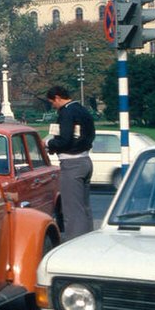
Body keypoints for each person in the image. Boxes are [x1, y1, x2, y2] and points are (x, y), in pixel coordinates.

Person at [45, 84, 95, 239]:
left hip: (72, 163)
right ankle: (88, 239)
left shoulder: (66, 112)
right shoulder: (82, 109)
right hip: (85, 160)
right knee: (84, 207)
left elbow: (65, 140)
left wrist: (48, 144)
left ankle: (75, 243)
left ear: (57, 98)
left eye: (52, 103)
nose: (53, 106)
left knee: (72, 210)